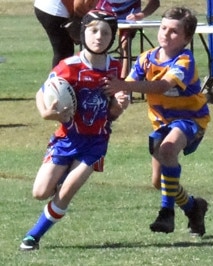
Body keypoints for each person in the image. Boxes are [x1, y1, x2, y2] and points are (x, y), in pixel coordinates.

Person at [19, 10, 129, 251]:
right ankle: (60, 181)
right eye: (93, 30)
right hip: (66, 138)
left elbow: (111, 113)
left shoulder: (115, 68)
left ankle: (33, 237)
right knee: (40, 192)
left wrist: (119, 106)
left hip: (96, 141)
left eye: (106, 32)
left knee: (67, 191)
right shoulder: (69, 66)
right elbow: (42, 92)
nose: (99, 36)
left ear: (112, 37)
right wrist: (46, 113)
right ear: (83, 33)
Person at [103, 7, 210, 237]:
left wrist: (123, 86)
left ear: (187, 38)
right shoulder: (146, 58)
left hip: (190, 119)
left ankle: (166, 214)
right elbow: (130, 83)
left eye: (173, 31)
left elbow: (161, 86)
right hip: (162, 122)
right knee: (159, 182)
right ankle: (193, 208)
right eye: (163, 28)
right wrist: (121, 97)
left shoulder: (184, 60)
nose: (165, 34)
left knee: (168, 148)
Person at [95, 0, 161, 78]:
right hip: (103, 11)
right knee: (98, 40)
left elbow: (155, 3)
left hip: (130, 14)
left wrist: (140, 15)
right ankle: (97, 77)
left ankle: (124, 81)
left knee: (125, 42)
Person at [34, 0, 97, 68]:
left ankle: (60, 76)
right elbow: (79, 5)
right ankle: (58, 77)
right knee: (64, 53)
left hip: (47, 6)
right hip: (54, 9)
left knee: (64, 52)